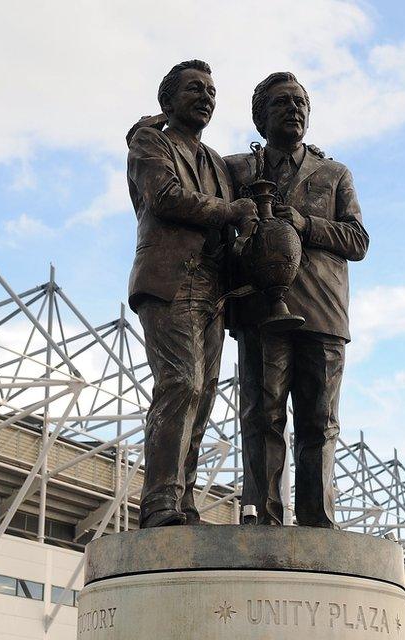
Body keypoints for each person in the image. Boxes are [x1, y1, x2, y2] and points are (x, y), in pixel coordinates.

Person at [225, 72, 369, 527]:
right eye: (283, 103)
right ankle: (261, 515)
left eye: (301, 103)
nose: (294, 110)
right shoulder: (236, 170)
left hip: (323, 312)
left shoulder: (334, 173)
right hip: (259, 311)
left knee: (319, 422)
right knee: (261, 415)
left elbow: (358, 240)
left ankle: (317, 521)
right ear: (261, 116)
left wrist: (305, 224)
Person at [126, 60, 258, 528]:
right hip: (169, 280)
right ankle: (158, 502)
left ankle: (182, 501)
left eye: (212, 92)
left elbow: (257, 176)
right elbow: (164, 196)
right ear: (168, 101)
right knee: (181, 384)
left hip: (213, 289)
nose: (206, 97)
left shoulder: (218, 163)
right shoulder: (151, 142)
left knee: (202, 397)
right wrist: (230, 211)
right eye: (195, 89)